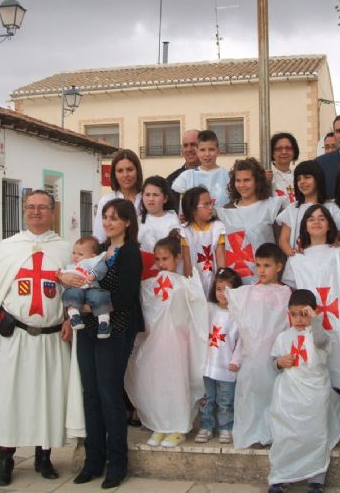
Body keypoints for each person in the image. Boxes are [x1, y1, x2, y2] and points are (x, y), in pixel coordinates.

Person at [0, 190, 84, 487]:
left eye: (43, 207)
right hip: (14, 337)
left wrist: (69, 318)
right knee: (10, 399)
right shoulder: (7, 248)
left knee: (49, 397)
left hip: (52, 339)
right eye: (30, 207)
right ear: (23, 210)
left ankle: (44, 457)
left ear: (53, 212)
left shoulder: (65, 249)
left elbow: (76, 289)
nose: (36, 212)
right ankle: (6, 458)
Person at [74, 199, 143, 489]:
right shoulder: (100, 252)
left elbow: (126, 297)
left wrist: (90, 308)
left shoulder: (130, 253)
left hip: (116, 329)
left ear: (127, 222)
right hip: (88, 330)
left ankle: (117, 465)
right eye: (105, 217)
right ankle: (93, 462)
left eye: (115, 217)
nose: (109, 222)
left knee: (109, 394)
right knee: (90, 393)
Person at [125, 235, 208, 449]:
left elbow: (196, 311)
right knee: (156, 383)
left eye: (166, 259)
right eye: (158, 259)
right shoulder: (149, 285)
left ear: (177, 258)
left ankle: (178, 426)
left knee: (177, 384)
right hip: (155, 342)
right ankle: (160, 424)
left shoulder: (184, 284)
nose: (161, 264)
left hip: (177, 343)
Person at [268, 289, 340, 493]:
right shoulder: (283, 337)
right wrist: (279, 362)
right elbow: (272, 362)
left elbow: (320, 342)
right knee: (287, 434)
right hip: (289, 394)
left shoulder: (319, 335)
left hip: (314, 393)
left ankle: (316, 478)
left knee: (315, 433)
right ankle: (282, 475)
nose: (299, 319)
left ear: (313, 313)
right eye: (294, 314)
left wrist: (315, 320)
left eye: (304, 314)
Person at [282, 205, 340, 393]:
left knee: (337, 372)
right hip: (306, 325)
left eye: (321, 218)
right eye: (311, 219)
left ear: (329, 226)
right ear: (305, 227)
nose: (316, 222)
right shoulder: (296, 260)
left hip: (336, 322)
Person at [226, 243, 291, 448]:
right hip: (252, 354)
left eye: (267, 265)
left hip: (275, 354)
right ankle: (253, 432)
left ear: (279, 267)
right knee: (251, 394)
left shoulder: (286, 293)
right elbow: (243, 329)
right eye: (258, 265)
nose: (261, 270)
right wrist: (237, 357)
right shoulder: (248, 292)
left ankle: (272, 432)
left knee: (273, 393)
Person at [217, 158, 286, 284]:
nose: (242, 185)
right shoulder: (225, 211)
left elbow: (281, 244)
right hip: (235, 283)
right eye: (238, 180)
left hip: (265, 281)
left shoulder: (271, 207)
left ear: (257, 181)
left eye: (247, 180)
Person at [195, 267, 244, 445]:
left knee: (225, 401)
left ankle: (226, 427)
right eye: (219, 289)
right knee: (207, 399)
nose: (222, 294)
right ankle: (206, 426)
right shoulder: (208, 309)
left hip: (227, 366)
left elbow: (242, 340)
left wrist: (236, 360)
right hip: (207, 364)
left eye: (227, 290)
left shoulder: (238, 314)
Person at [276, 160, 340, 257]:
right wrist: (294, 256)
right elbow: (283, 240)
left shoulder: (331, 207)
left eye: (307, 177)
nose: (302, 182)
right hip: (299, 265)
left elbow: (337, 237)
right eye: (299, 179)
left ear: (318, 179)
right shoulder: (292, 209)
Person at [181, 186, 226, 297]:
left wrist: (221, 283)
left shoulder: (217, 227)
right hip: (195, 284)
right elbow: (187, 262)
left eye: (211, 203)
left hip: (214, 281)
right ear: (193, 209)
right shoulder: (184, 231)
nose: (211, 207)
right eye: (206, 204)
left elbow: (220, 257)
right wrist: (190, 286)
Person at [62, 236, 111, 337]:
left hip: (91, 288)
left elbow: (102, 268)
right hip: (77, 290)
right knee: (68, 294)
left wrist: (93, 274)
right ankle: (75, 317)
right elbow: (63, 276)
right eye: (74, 253)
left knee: (101, 296)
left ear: (92, 256)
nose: (75, 257)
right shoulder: (71, 266)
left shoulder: (93, 262)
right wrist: (62, 276)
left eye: (80, 254)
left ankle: (104, 323)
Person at [171, 130, 231, 209]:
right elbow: (181, 208)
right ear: (197, 152)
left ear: (218, 151)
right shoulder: (187, 177)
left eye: (211, 149)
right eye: (202, 150)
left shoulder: (228, 176)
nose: (207, 154)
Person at [94, 149, 144, 243]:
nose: (125, 175)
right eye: (120, 171)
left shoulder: (147, 199)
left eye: (130, 169)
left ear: (137, 171)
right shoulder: (106, 201)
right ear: (114, 174)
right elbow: (99, 237)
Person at [137, 175, 180, 253]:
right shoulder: (138, 220)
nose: (151, 199)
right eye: (147, 194)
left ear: (165, 198)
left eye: (155, 195)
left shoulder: (172, 219)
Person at [166, 129, 201, 208]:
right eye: (185, 145)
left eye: (193, 144)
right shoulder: (171, 180)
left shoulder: (215, 177)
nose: (189, 149)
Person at [269, 132, 300, 203]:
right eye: (279, 149)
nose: (284, 152)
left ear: (294, 152)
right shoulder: (267, 175)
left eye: (288, 148)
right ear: (272, 153)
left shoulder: (298, 176)